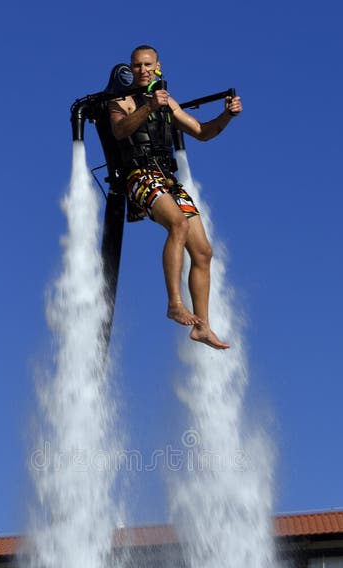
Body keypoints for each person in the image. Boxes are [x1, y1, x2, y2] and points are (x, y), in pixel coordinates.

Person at [108, 44, 242, 351]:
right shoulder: (121, 101)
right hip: (139, 177)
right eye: (137, 65)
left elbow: (201, 131)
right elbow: (119, 131)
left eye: (147, 65)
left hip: (168, 180)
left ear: (157, 66)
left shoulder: (168, 103)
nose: (142, 70)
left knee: (204, 251)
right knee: (179, 225)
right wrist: (149, 107)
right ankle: (174, 303)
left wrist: (226, 116)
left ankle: (203, 327)